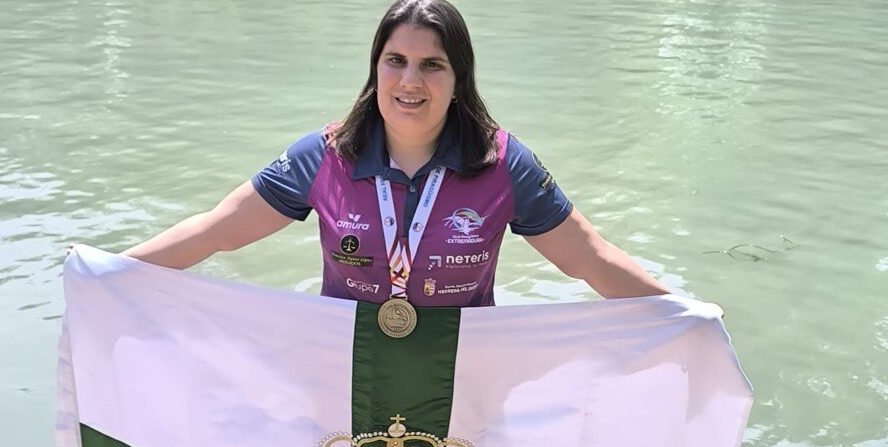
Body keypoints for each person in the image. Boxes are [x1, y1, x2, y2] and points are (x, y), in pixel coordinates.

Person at [118, 0, 669, 306]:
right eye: (396, 61)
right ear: (375, 68)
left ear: (458, 79)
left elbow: (589, 259)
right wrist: (104, 273)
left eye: (432, 65)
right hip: (346, 372)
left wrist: (687, 318)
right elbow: (216, 231)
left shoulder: (504, 164)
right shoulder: (323, 156)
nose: (410, 81)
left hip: (463, 378)